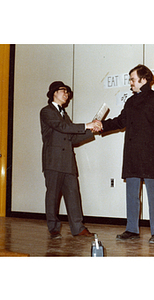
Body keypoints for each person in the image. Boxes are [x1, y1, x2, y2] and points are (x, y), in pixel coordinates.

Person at [100, 64, 154, 244]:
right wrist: (101, 125)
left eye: (132, 79)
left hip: (150, 154)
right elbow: (120, 121)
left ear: (143, 80)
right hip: (131, 154)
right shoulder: (130, 102)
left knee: (153, 193)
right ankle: (132, 229)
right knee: (131, 193)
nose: (130, 82)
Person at [40, 81, 101, 239]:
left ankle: (78, 228)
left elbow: (72, 138)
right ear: (54, 92)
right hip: (53, 161)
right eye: (63, 91)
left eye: (67, 92)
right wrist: (86, 125)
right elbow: (62, 127)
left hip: (67, 161)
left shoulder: (64, 114)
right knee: (52, 196)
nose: (66, 94)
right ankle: (53, 229)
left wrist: (91, 130)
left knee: (73, 195)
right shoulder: (46, 111)